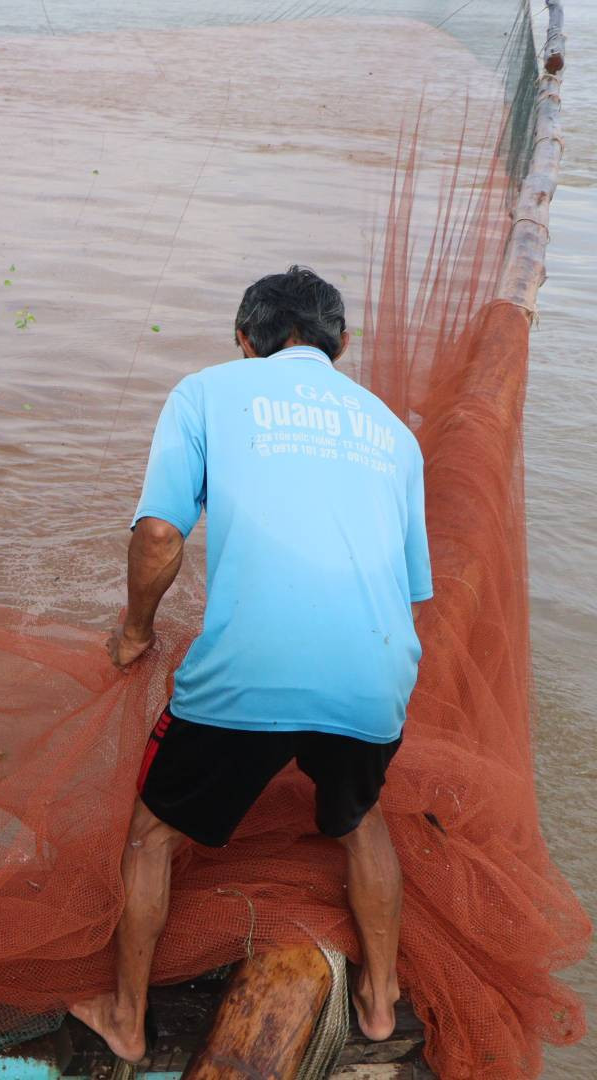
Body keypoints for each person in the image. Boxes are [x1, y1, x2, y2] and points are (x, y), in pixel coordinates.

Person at [71, 266, 431, 1062]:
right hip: (374, 676)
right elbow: (409, 595)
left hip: (246, 673)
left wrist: (134, 631)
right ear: (343, 344)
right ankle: (377, 1004)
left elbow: (160, 536)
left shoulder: (207, 393)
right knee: (363, 821)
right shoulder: (395, 434)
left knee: (153, 837)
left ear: (245, 341)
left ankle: (127, 1019)